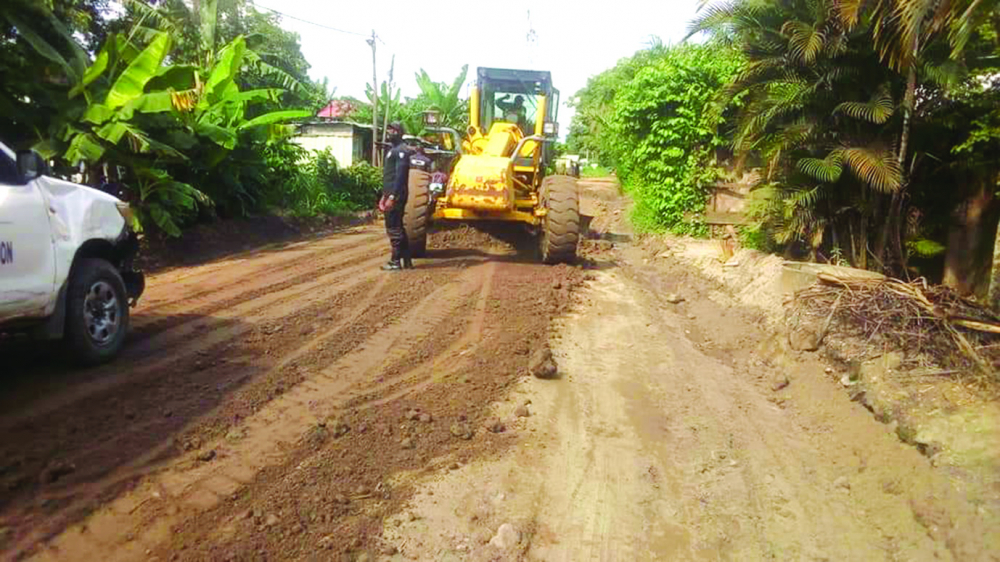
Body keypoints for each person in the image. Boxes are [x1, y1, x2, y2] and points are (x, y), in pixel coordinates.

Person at [379, 122, 413, 271]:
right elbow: (390, 176)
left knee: (393, 228)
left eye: (393, 130)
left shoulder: (401, 151)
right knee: (398, 227)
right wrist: (384, 195)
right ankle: (407, 261)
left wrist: (392, 196)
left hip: (396, 195)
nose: (389, 132)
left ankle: (395, 261)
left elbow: (400, 176)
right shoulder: (393, 150)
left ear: (399, 133)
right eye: (389, 130)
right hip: (390, 194)